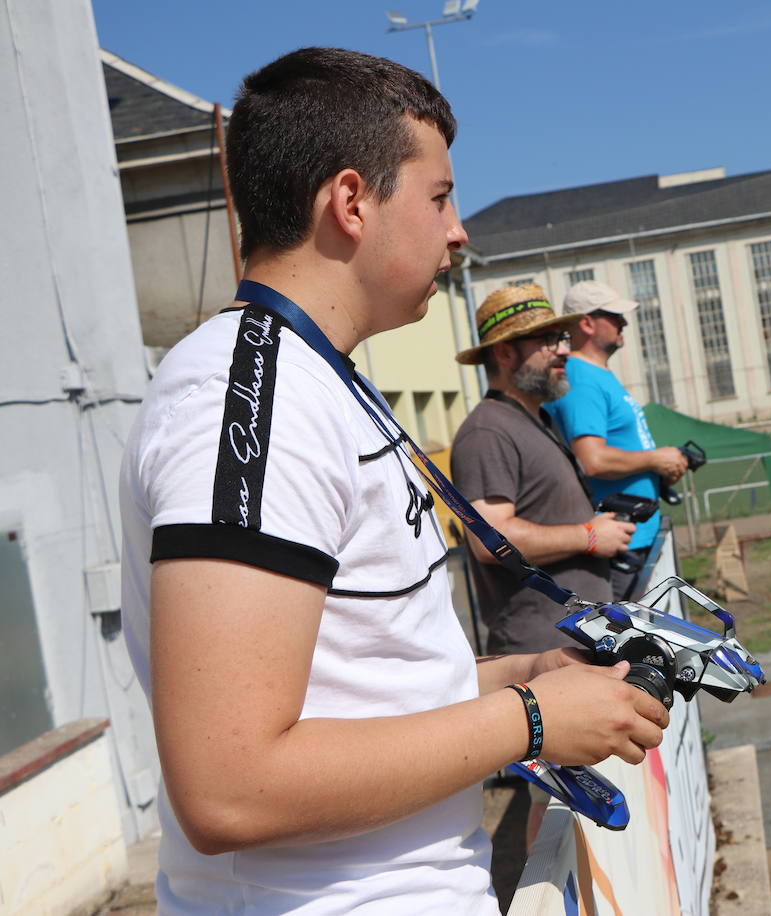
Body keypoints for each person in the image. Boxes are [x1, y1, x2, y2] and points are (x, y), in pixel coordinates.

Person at [118, 48, 666, 914]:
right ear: (350, 203)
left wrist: (532, 670)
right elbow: (229, 784)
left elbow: (370, 685)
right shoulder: (248, 401)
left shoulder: (318, 382)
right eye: (440, 197)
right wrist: (528, 717)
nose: (459, 231)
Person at [450, 283, 634, 655]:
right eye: (548, 340)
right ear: (504, 352)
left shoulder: (539, 418)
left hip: (576, 645)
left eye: (562, 337)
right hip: (540, 655)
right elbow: (491, 539)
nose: (564, 349)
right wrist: (590, 537)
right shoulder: (487, 431)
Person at [545, 281, 688, 599]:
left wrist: (660, 467)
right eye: (615, 316)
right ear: (586, 323)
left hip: (633, 539)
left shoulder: (593, 374)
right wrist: (654, 459)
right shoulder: (580, 378)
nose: (624, 322)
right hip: (621, 547)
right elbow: (591, 460)